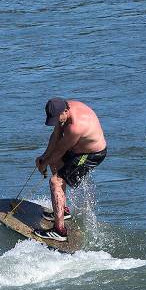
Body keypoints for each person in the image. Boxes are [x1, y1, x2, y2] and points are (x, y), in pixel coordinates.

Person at [34, 97, 107, 241]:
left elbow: (59, 151)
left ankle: (59, 231)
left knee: (55, 181)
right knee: (54, 164)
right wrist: (43, 157)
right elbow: (55, 136)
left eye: (57, 119)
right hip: (77, 149)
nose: (57, 122)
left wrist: (43, 164)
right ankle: (64, 210)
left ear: (66, 111)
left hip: (91, 155)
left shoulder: (75, 127)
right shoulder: (62, 110)